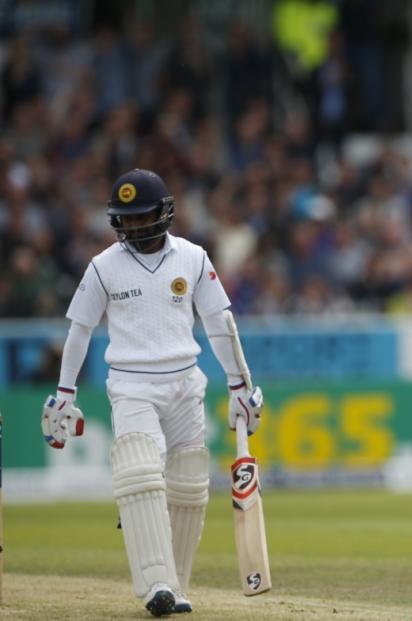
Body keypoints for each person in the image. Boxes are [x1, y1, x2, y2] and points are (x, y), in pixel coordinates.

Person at [41, 169, 264, 617]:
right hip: (131, 384)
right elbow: (80, 331)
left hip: (186, 383)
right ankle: (154, 583)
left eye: (144, 218)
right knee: (141, 475)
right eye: (128, 220)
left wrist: (239, 384)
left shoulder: (194, 258)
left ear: (164, 213)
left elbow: (220, 325)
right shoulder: (104, 266)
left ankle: (176, 585)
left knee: (188, 485)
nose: (137, 228)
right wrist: (65, 392)